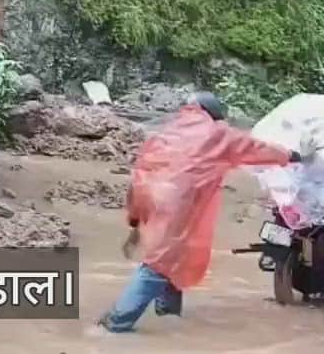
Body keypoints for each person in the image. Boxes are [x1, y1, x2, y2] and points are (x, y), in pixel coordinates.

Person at [94, 91, 321, 334]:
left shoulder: (166, 133)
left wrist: (135, 217)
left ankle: (168, 314)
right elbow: (255, 148)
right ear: (214, 113)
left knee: (173, 258)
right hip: (178, 204)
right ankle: (117, 322)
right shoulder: (217, 135)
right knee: (160, 264)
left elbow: (140, 172)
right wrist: (291, 155)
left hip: (149, 197)